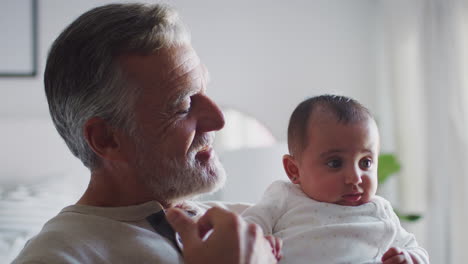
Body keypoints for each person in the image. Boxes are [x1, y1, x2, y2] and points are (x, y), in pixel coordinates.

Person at [12, 3, 278, 264]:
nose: (218, 121)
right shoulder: (56, 256)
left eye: (205, 91)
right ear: (107, 138)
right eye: (184, 106)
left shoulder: (250, 225)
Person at [242, 95, 430, 264]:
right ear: (294, 170)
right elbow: (247, 226)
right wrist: (260, 243)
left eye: (366, 162)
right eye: (335, 163)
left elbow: (416, 249)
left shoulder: (379, 210)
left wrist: (410, 258)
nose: (355, 178)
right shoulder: (284, 195)